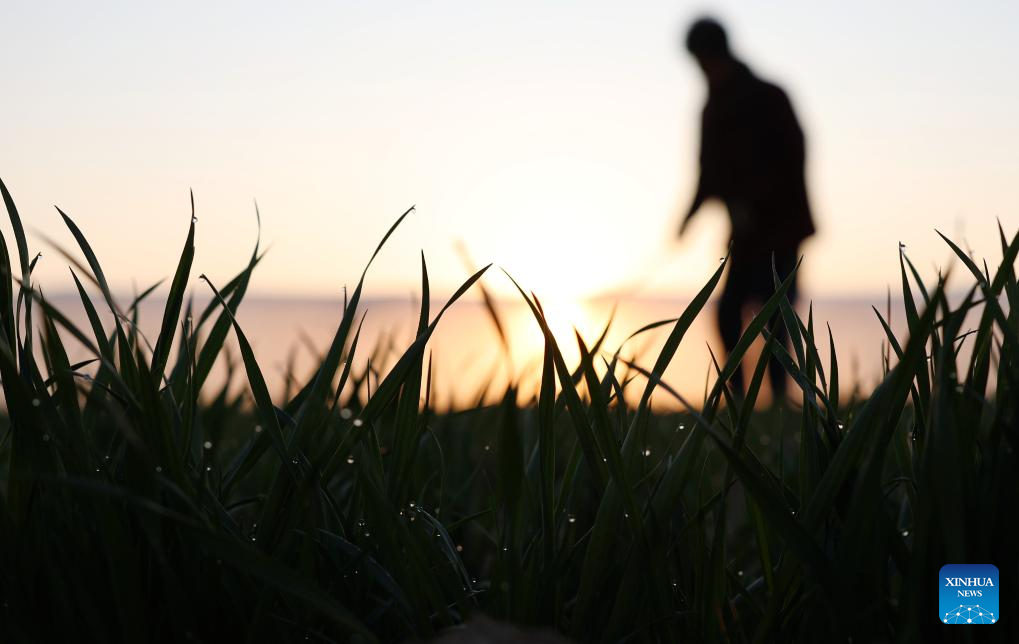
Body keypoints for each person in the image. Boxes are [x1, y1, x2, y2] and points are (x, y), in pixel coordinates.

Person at [677, 17, 815, 402]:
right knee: (729, 314)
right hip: (746, 233)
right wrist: (687, 218)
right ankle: (737, 399)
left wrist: (754, 202)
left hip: (779, 228)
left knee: (775, 316)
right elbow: (707, 172)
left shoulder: (769, 97)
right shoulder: (712, 107)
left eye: (703, 62)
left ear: (714, 55)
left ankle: (779, 399)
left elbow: (793, 157)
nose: (702, 71)